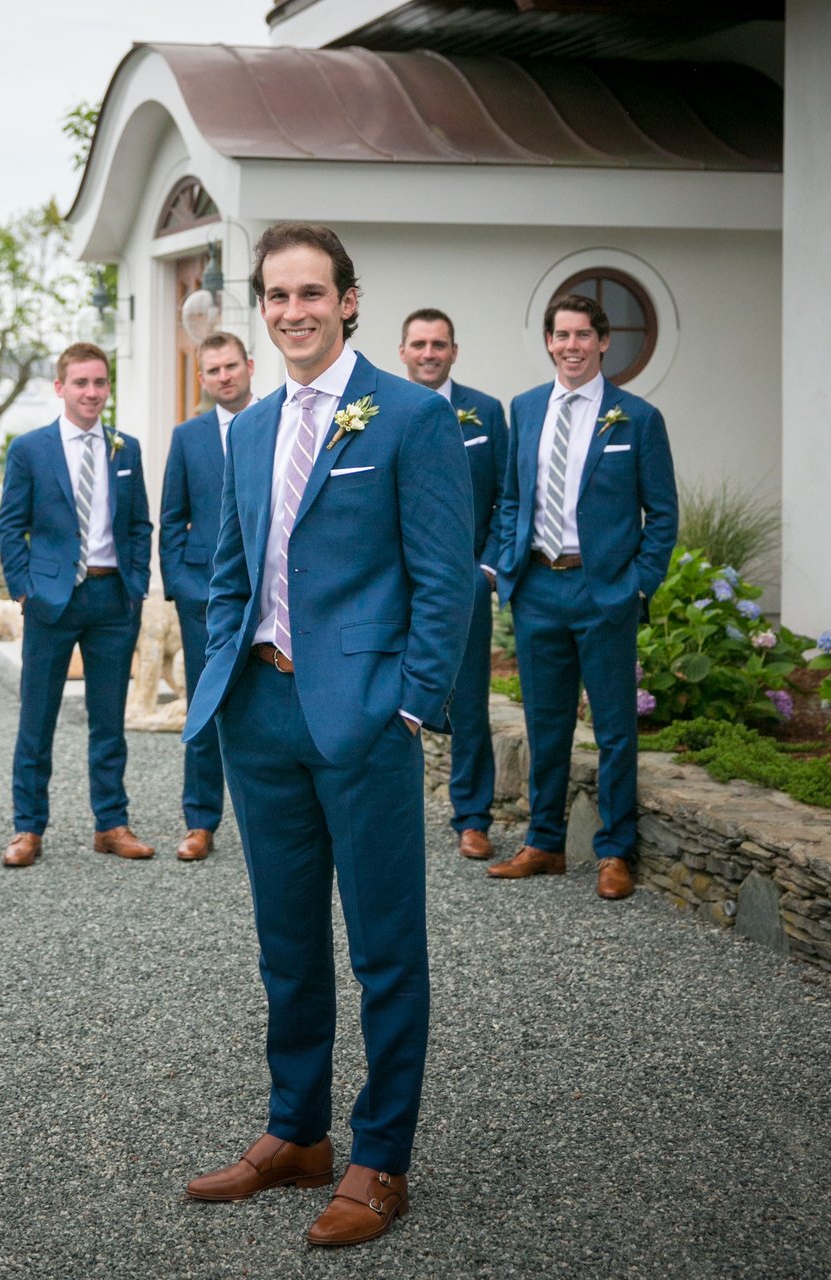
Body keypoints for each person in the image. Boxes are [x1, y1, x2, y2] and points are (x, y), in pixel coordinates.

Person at [182, 224, 474, 1248]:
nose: (292, 310)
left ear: (348, 301)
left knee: (385, 950)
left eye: (311, 292)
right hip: (258, 713)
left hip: (360, 719)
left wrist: (404, 703)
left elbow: (443, 580)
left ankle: (378, 1153)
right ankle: (295, 1130)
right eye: (275, 295)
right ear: (259, 307)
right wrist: (225, 665)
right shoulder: (252, 425)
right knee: (287, 944)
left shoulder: (406, 416)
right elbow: (232, 562)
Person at [490, 294, 677, 899]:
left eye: (582, 335)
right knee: (546, 725)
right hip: (539, 587)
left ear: (602, 343)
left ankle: (615, 851)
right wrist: (507, 565)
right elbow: (514, 497)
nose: (571, 345)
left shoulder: (637, 418)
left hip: (605, 593)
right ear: (549, 342)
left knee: (615, 729)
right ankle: (544, 843)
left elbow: (664, 515)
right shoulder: (525, 408)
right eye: (560, 335)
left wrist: (637, 583)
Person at [0, 342, 154, 867]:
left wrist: (136, 584)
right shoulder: (30, 449)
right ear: (60, 387)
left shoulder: (125, 449)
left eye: (100, 383)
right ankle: (27, 828)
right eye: (81, 383)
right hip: (52, 601)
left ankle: (111, 824)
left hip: (113, 599)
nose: (92, 392)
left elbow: (138, 525)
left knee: (108, 721)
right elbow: (9, 526)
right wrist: (24, 588)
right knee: (36, 720)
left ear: (108, 388)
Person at [399, 308, 508, 860]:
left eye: (438, 344)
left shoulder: (485, 413)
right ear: (403, 352)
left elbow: (507, 498)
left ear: (453, 352)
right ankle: (392, 810)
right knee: (391, 697)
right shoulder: (382, 410)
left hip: (465, 583)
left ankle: (472, 816)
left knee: (469, 704)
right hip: (396, 586)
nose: (428, 353)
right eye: (418, 343)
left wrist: (487, 568)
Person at [159, 332, 257, 861]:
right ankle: (200, 820)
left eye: (231, 366)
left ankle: (268, 814)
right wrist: (182, 587)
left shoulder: (278, 420)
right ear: (202, 379)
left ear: (250, 366)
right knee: (204, 702)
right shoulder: (187, 437)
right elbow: (172, 518)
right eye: (213, 370)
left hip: (271, 593)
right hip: (204, 596)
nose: (224, 376)